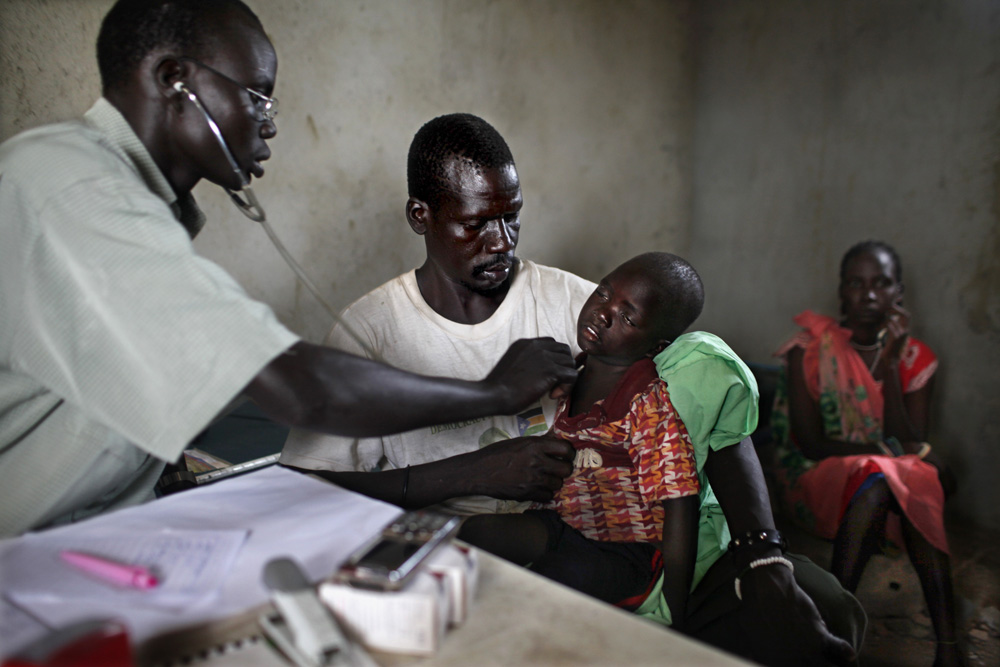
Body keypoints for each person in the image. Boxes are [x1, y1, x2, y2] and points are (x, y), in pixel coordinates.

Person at [0, 0, 578, 538]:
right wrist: (492, 392)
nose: (269, 124)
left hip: (101, 530)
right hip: (31, 548)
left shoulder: (138, 206)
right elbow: (291, 384)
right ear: (176, 80)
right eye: (257, 97)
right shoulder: (66, 184)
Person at [280, 112, 595, 514]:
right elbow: (305, 488)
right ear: (420, 216)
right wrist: (473, 473)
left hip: (566, 546)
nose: (501, 241)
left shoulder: (574, 304)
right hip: (441, 554)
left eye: (511, 216)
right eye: (475, 223)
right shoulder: (370, 331)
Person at [460, 252, 705, 629]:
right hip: (565, 526)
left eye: (628, 317)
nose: (603, 314)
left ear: (656, 346)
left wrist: (676, 610)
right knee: (474, 533)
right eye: (604, 293)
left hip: (624, 552)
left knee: (549, 584)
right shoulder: (574, 369)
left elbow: (681, 506)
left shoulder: (647, 406)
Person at [771, 240, 962, 666]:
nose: (869, 294)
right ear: (841, 291)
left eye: (881, 283)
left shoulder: (916, 358)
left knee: (896, 476)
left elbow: (907, 438)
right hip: (816, 478)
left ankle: (946, 648)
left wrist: (892, 365)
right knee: (894, 474)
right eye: (856, 284)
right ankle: (837, 626)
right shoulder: (810, 349)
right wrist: (884, 453)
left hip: (887, 485)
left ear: (899, 293)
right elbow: (810, 443)